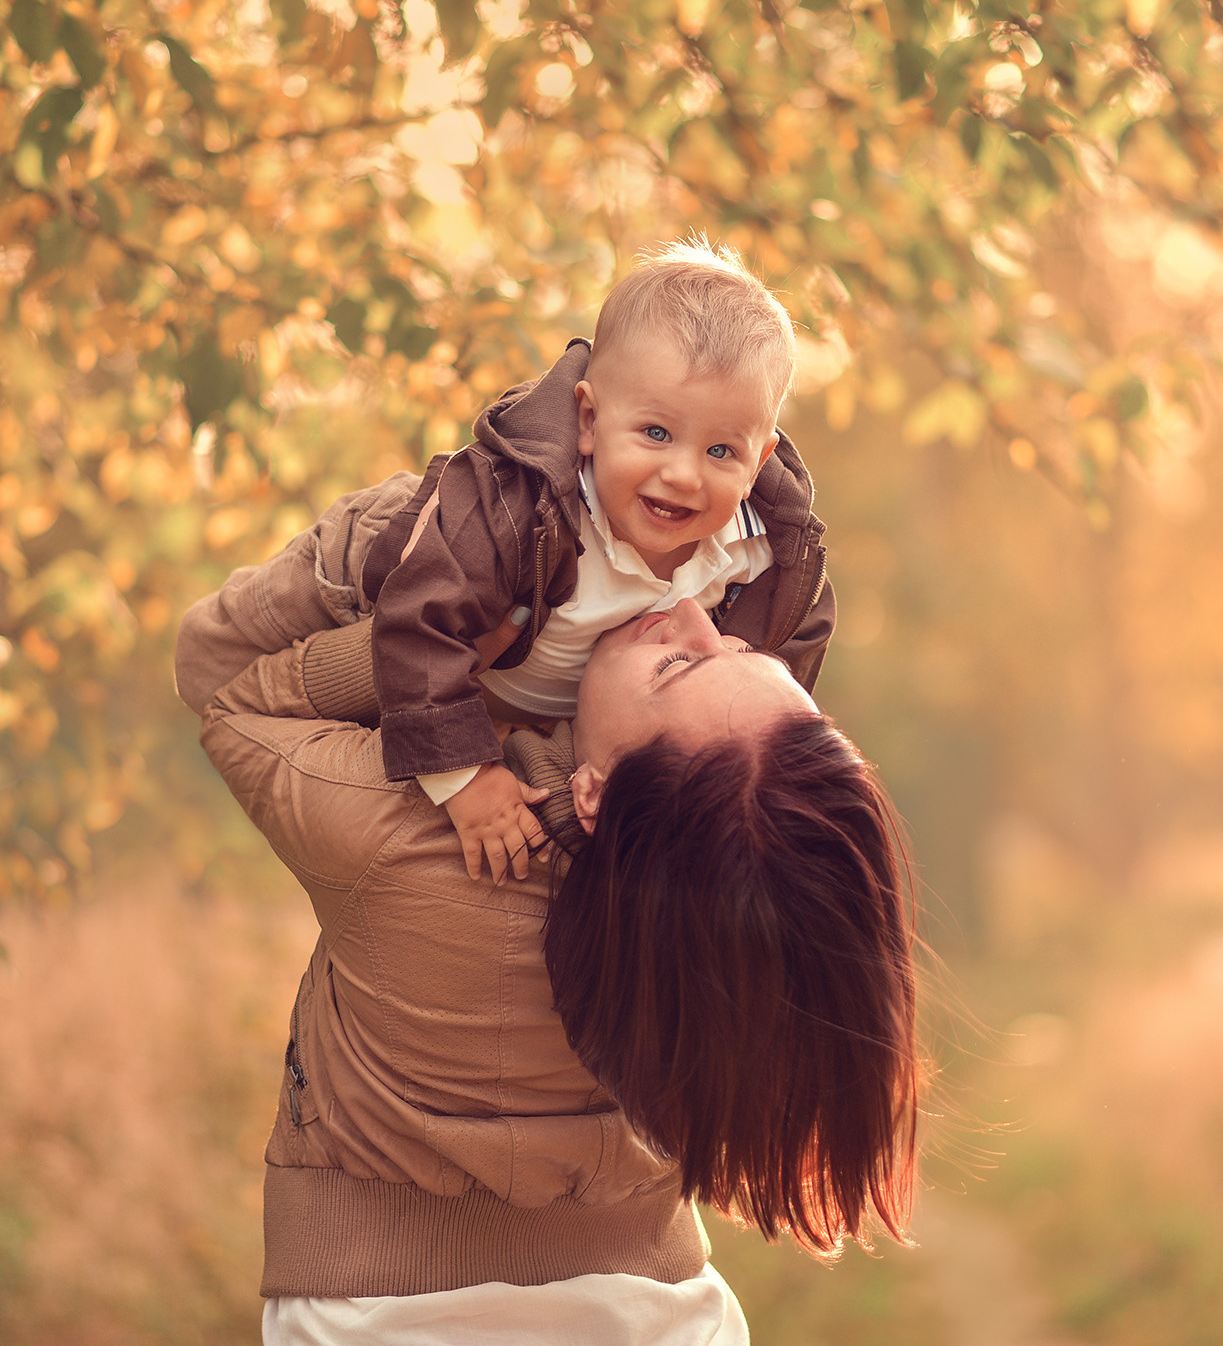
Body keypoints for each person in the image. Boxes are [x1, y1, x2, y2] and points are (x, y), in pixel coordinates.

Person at [174, 483, 919, 1343]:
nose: (688, 614)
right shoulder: (736, 921)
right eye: (737, 641)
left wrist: (427, 563)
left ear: (597, 795)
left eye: (680, 663)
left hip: (371, 1314)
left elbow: (225, 686)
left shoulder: (401, 837)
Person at [354, 238, 835, 885]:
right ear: (588, 418)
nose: (685, 474)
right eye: (656, 434)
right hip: (395, 609)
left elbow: (792, 643)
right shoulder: (518, 512)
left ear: (761, 456)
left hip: (565, 709)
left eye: (722, 450)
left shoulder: (764, 550)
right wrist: (464, 779)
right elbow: (417, 618)